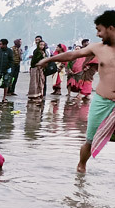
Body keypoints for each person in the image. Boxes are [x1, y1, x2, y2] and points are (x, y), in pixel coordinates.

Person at [37, 11, 115, 172]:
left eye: (100, 30)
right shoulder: (98, 48)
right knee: (90, 139)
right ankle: (81, 166)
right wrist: (50, 59)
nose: (97, 34)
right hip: (102, 101)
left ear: (111, 28)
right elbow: (73, 54)